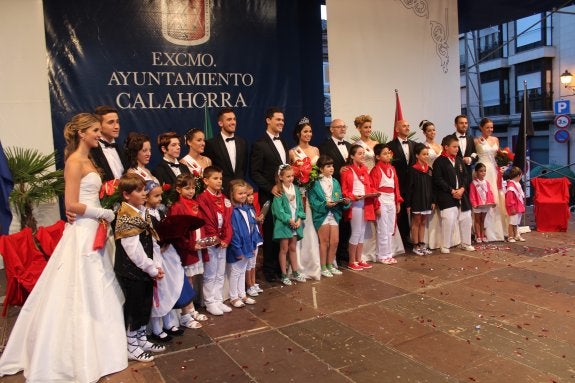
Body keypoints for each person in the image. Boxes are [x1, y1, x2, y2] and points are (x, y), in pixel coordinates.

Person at [0, 113, 127, 382]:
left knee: (99, 286)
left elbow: (87, 197)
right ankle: (77, 354)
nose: (98, 134)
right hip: (83, 232)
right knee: (82, 287)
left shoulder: (89, 159)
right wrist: (102, 213)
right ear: (82, 133)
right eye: (94, 130)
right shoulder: (74, 162)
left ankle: (102, 346)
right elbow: (71, 205)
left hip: (93, 228)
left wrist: (100, 212)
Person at [114, 173, 166, 362]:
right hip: (132, 270)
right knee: (134, 306)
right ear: (127, 195)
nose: (144, 193)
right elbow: (133, 250)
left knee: (145, 303)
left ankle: (141, 338)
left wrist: (157, 264)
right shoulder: (126, 216)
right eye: (139, 190)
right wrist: (150, 268)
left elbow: (153, 240)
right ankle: (131, 345)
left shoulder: (142, 211)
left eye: (144, 189)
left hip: (146, 269)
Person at [145, 180, 194, 344]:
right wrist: (159, 243)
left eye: (161, 195)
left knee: (171, 286)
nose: (160, 199)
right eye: (156, 196)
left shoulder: (160, 211)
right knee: (159, 291)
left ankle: (169, 322)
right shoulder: (144, 215)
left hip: (168, 253)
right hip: (157, 255)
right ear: (145, 197)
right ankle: (157, 328)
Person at [250, 107, 289, 282]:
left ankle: (282, 268)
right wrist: (270, 187)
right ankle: (269, 270)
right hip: (269, 195)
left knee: (283, 231)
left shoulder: (284, 142)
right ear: (268, 120)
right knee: (271, 232)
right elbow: (254, 172)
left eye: (282, 120)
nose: (281, 122)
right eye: (277, 119)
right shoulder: (259, 144)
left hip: (285, 195)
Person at [168, 174, 209, 328]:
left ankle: (191, 309)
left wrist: (203, 241)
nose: (191, 191)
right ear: (178, 189)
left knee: (192, 278)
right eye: (187, 188)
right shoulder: (177, 207)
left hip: (197, 246)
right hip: (186, 249)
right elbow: (178, 231)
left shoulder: (194, 203)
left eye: (193, 187)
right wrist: (190, 245)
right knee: (187, 280)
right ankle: (187, 312)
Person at [196, 166, 233, 316]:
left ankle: (218, 299)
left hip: (222, 241)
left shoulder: (224, 198)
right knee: (210, 273)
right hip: (211, 242)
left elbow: (228, 221)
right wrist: (216, 239)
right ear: (205, 180)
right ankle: (209, 301)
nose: (219, 181)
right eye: (215, 178)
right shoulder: (202, 199)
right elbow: (206, 221)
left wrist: (226, 238)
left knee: (220, 272)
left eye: (220, 178)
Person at [289, 117, 321, 280]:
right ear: (298, 134)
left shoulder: (316, 150)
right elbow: (291, 174)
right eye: (305, 131)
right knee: (303, 226)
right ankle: (299, 266)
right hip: (301, 194)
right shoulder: (293, 152)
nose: (308, 134)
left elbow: (320, 172)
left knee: (314, 227)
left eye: (310, 131)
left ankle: (315, 264)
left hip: (314, 192)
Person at [432, 135, 475, 254]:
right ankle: (445, 245)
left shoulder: (459, 160)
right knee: (449, 219)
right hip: (446, 195)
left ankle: (466, 243)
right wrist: (451, 191)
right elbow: (438, 179)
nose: (457, 149)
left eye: (457, 147)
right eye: (454, 147)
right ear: (446, 147)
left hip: (461, 193)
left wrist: (462, 189)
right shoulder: (439, 162)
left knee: (466, 218)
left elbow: (466, 176)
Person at [318, 118, 352, 266]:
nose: (342, 129)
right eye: (339, 127)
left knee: (347, 225)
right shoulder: (324, 146)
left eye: (344, 126)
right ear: (331, 129)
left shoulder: (351, 146)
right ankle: (333, 259)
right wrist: (338, 171)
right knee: (336, 225)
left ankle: (344, 254)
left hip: (348, 191)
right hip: (332, 190)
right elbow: (325, 168)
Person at [340, 145, 379, 271]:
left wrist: (374, 193)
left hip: (365, 203)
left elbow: (369, 186)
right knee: (356, 231)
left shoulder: (365, 170)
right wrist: (353, 197)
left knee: (362, 232)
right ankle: (351, 261)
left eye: (363, 153)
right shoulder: (347, 170)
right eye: (359, 153)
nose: (363, 156)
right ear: (352, 156)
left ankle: (359, 258)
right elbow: (344, 191)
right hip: (355, 204)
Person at [307, 155, 347, 277]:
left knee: (335, 241)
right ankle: (323, 266)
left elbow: (338, 196)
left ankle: (330, 264)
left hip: (334, 213)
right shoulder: (315, 183)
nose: (331, 168)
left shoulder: (335, 181)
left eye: (332, 166)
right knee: (324, 242)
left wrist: (344, 201)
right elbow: (313, 201)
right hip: (322, 214)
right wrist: (325, 204)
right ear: (320, 168)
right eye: (328, 166)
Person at [227, 179, 260, 307]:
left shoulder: (247, 209)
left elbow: (251, 229)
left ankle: (242, 294)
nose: (243, 196)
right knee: (236, 272)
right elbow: (234, 232)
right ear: (232, 194)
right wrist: (237, 249)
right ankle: (233, 297)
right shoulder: (233, 212)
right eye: (239, 194)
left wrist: (252, 245)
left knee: (242, 271)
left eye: (244, 193)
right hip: (239, 247)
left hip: (248, 245)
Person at [272, 164, 307, 285]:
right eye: (288, 176)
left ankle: (295, 272)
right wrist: (289, 220)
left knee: (293, 248)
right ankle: (283, 274)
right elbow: (278, 210)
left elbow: (300, 207)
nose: (291, 178)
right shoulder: (279, 190)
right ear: (281, 177)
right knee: (284, 249)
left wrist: (298, 219)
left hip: (295, 224)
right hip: (284, 225)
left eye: (292, 176)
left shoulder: (296, 189)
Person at [474, 117, 507, 242]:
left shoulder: (496, 139)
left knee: (495, 197)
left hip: (494, 170)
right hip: (482, 170)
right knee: (483, 198)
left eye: (491, 127)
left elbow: (500, 155)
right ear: (481, 127)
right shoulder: (476, 140)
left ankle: (496, 231)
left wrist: (503, 164)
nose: (490, 129)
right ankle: (482, 232)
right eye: (487, 127)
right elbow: (474, 156)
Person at [386, 119, 416, 249]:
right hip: (399, 184)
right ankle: (403, 240)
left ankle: (415, 239)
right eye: (404, 126)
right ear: (397, 129)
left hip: (413, 184)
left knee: (415, 212)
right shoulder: (390, 146)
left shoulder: (415, 145)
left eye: (408, 126)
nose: (407, 128)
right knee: (401, 214)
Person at [204, 108, 248, 196]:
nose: (233, 122)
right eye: (229, 119)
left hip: (240, 192)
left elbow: (244, 168)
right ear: (220, 123)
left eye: (234, 119)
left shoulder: (242, 142)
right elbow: (209, 169)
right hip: (220, 192)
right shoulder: (211, 144)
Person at [370, 144, 403, 264]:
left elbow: (396, 187)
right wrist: (376, 205)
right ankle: (382, 254)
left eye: (389, 153)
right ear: (378, 156)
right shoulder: (375, 170)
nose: (388, 155)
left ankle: (389, 253)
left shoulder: (392, 169)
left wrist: (397, 202)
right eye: (384, 153)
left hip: (391, 200)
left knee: (390, 228)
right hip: (382, 200)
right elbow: (373, 189)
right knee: (382, 228)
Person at [353, 114, 378, 263]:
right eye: (365, 127)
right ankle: (366, 251)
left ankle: (379, 249)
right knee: (366, 214)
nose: (368, 129)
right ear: (359, 129)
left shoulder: (376, 143)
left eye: (369, 127)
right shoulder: (357, 145)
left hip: (376, 178)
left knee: (377, 212)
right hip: (363, 179)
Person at [405, 143, 435, 255]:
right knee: (416, 221)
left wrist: (433, 200)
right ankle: (415, 245)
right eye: (423, 154)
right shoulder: (413, 170)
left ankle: (422, 244)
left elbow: (432, 186)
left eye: (427, 154)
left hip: (426, 199)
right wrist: (408, 204)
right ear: (417, 155)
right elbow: (409, 188)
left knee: (423, 221)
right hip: (417, 200)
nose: (426, 156)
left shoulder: (429, 169)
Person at [420, 120, 443, 250]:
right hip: (428, 176)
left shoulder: (440, 146)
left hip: (440, 177)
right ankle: (429, 239)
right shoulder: (423, 147)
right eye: (429, 130)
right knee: (430, 206)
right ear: (424, 133)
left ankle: (440, 238)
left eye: (433, 130)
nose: (432, 132)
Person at [90, 105, 129, 181]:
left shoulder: (123, 151)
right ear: (99, 126)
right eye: (111, 122)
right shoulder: (91, 152)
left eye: (117, 122)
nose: (116, 126)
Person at [244, 184, 264, 297]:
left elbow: (253, 221)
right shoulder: (244, 209)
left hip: (255, 238)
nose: (251, 197)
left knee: (253, 263)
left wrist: (258, 220)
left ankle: (253, 282)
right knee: (249, 264)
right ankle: (249, 285)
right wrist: (255, 220)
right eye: (248, 195)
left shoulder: (251, 208)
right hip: (250, 239)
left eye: (252, 194)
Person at [469, 163, 496, 243]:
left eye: (484, 171)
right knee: (477, 220)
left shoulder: (486, 182)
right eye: (481, 171)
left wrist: (492, 202)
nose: (483, 173)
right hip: (477, 205)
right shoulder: (473, 183)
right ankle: (478, 235)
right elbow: (472, 194)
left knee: (483, 220)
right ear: (476, 172)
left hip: (485, 204)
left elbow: (490, 193)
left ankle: (483, 234)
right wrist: (474, 203)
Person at [451, 115, 477, 183]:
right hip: (453, 174)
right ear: (455, 125)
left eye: (466, 123)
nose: (464, 125)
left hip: (467, 175)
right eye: (461, 123)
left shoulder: (470, 138)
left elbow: (475, 153)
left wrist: (470, 159)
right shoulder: (449, 139)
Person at [505, 166, 526, 243]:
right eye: (521, 176)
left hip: (518, 207)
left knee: (516, 223)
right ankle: (510, 237)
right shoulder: (511, 186)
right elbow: (509, 199)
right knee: (512, 222)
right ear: (518, 176)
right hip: (514, 208)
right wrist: (512, 208)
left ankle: (516, 235)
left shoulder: (517, 184)